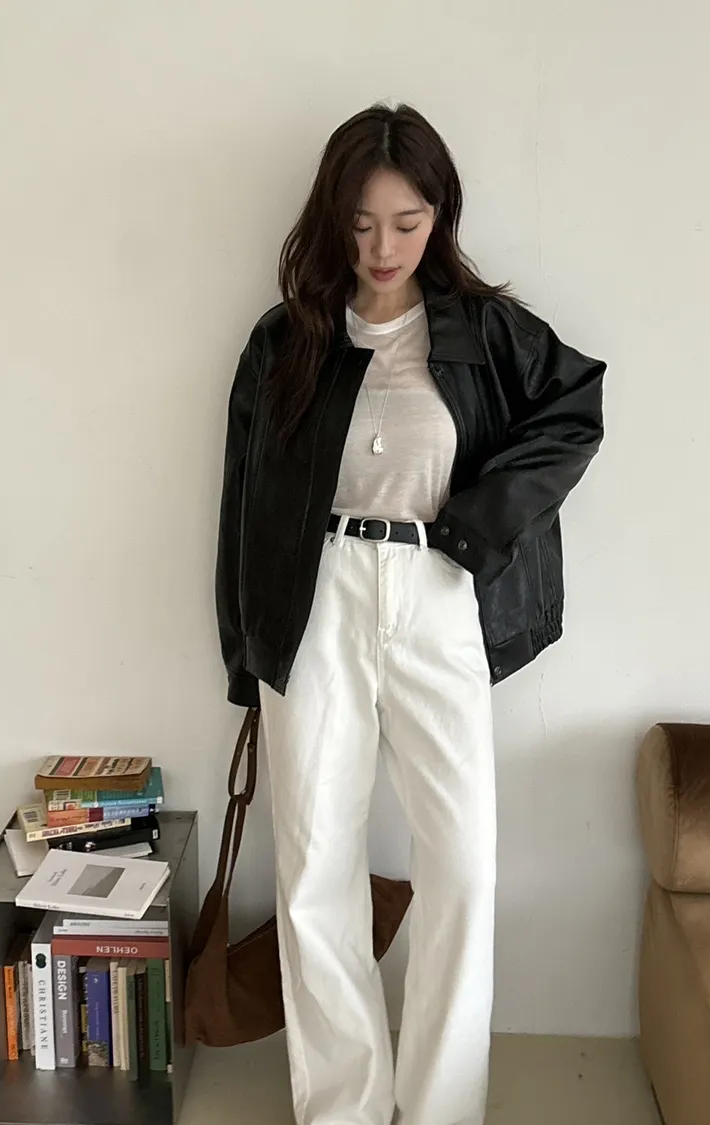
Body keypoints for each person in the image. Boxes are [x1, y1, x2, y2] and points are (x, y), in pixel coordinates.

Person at [215, 102, 605, 1125]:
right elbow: (243, 501)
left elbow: (576, 409)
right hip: (316, 601)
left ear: (439, 215)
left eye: (405, 221)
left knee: (463, 866)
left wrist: (480, 522)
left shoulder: (487, 333)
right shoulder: (287, 340)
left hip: (438, 590)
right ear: (331, 219)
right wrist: (244, 648)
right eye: (360, 223)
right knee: (315, 865)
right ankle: (344, 1105)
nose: (382, 247)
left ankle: (439, 1107)